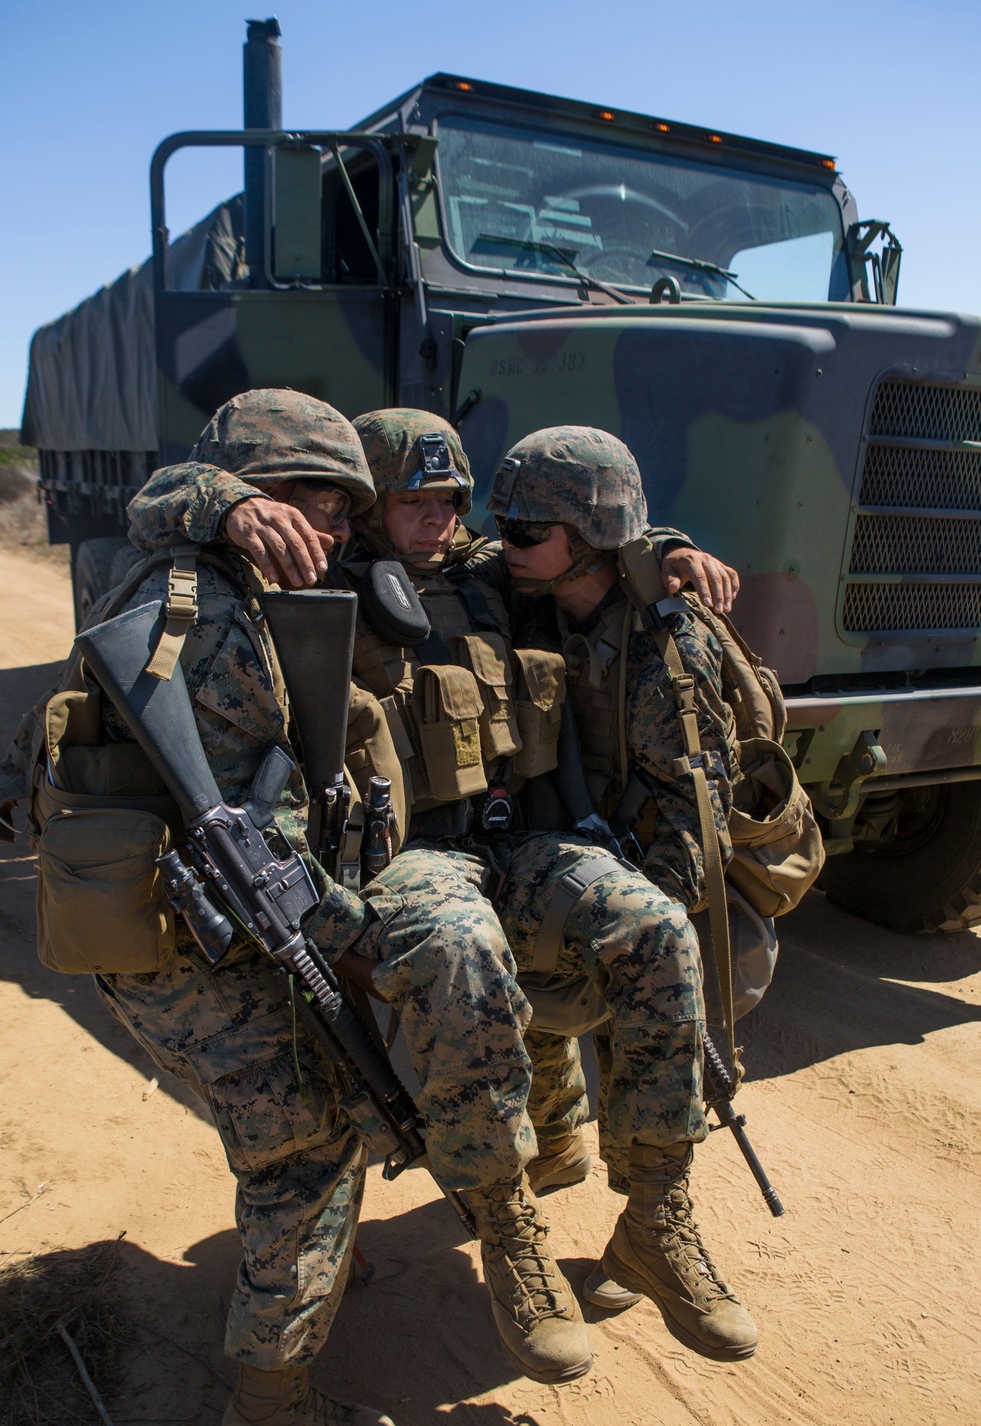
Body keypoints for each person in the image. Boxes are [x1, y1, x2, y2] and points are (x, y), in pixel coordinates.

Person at [130, 403, 750, 1370]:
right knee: (458, 954)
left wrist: (665, 547)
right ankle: (509, 1233)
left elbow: (592, 542)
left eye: (452, 499)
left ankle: (657, 1219)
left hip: (522, 838)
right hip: (406, 858)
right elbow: (159, 507)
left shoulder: (498, 578)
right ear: (368, 508)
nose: (435, 518)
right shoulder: (311, 572)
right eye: (411, 500)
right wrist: (227, 499)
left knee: (655, 928)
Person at [85, 390, 403, 1426]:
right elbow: (262, 844)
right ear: (261, 500)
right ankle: (268, 1405)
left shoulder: (215, 578)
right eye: (321, 498)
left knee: (304, 1106)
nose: (339, 526)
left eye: (347, 506)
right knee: (309, 1143)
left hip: (187, 925)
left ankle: (309, 1268)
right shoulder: (209, 608)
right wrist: (372, 940)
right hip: (187, 944)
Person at [486, 425, 757, 1354]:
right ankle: (555, 1138)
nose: (503, 541)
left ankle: (651, 1222)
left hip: (649, 872)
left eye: (526, 529)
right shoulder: (534, 595)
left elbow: (693, 831)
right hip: (556, 845)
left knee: (641, 970)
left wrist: (636, 928)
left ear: (590, 536)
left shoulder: (666, 650)